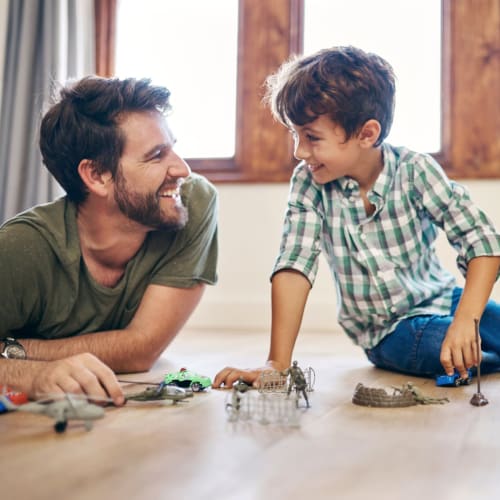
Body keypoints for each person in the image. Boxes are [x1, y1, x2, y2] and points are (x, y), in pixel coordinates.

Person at [213, 45, 500, 389]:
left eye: (311, 137)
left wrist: (467, 318)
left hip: (444, 298)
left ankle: (473, 351)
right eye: (295, 135)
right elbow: (295, 264)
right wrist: (277, 363)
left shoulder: (415, 170)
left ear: (367, 134)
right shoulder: (309, 184)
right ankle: (473, 356)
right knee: (441, 347)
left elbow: (481, 240)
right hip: (388, 331)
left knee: (477, 326)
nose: (299, 151)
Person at [0, 76, 218, 404]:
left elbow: (142, 348)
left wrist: (19, 350)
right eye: (157, 155)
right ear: (97, 176)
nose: (182, 169)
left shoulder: (192, 203)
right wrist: (33, 374)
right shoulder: (21, 249)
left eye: (173, 147)